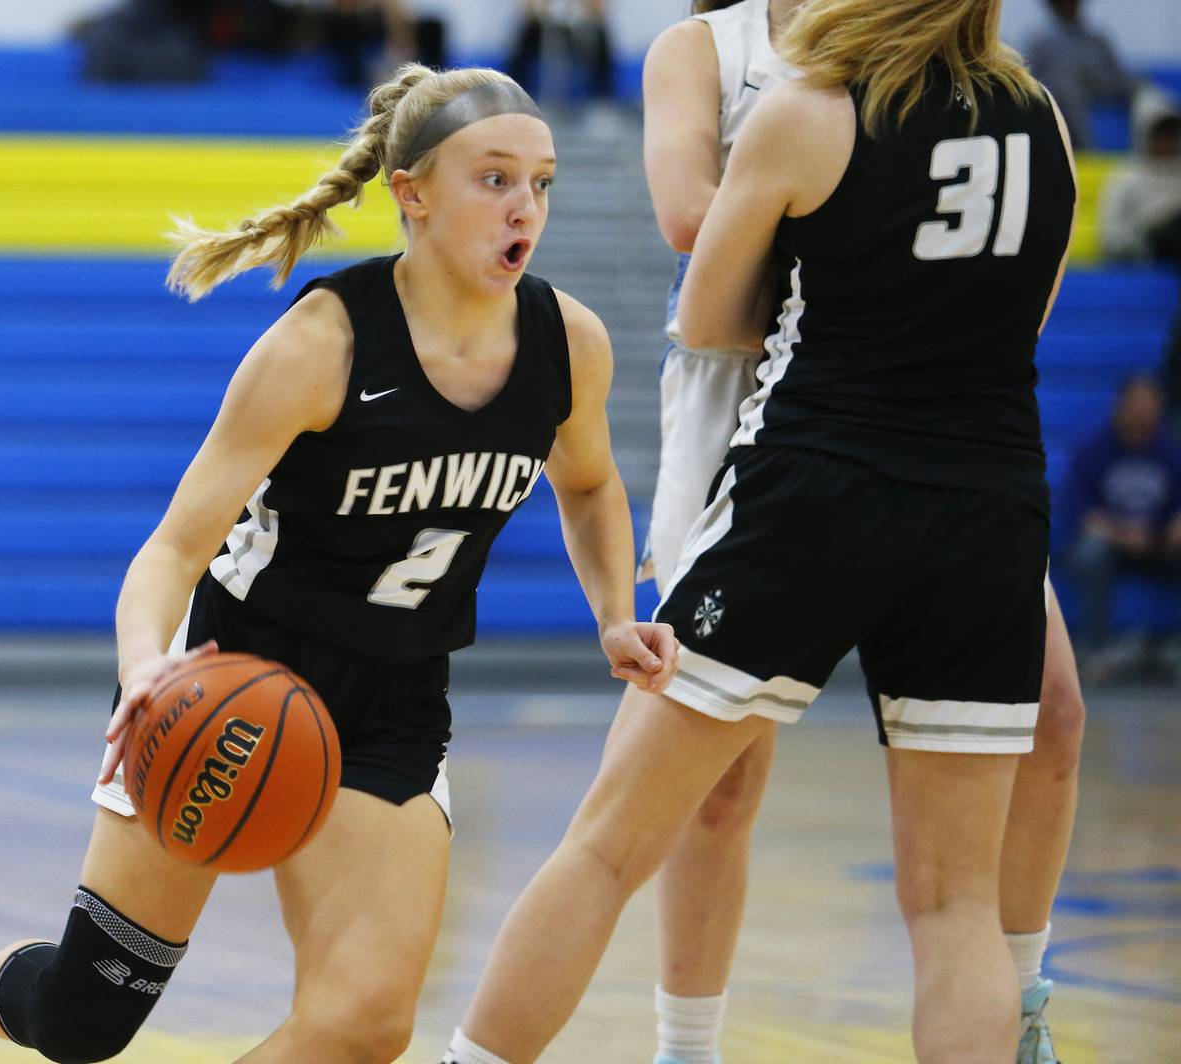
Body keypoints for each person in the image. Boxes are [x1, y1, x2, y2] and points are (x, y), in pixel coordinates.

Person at [0, 62, 680, 1064]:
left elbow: (594, 483)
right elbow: (174, 545)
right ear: (413, 194)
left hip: (394, 700)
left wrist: (612, 610)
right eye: (494, 179)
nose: (525, 206)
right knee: (86, 1016)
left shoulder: (570, 343)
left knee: (365, 1023)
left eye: (542, 182)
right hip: (236, 669)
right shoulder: (321, 345)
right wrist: (145, 670)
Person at [441, 0, 1077, 1060]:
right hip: (988, 503)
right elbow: (1031, 314)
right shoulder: (1044, 117)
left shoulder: (810, 109)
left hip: (815, 492)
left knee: (606, 845)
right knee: (956, 907)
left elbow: (704, 314)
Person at [638, 2, 1087, 1061]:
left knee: (1055, 716)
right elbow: (689, 219)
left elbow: (1006, 278)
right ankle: (684, 1042)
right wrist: (860, 242)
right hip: (743, 419)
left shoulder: (965, 65)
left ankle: (1018, 1002)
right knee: (714, 784)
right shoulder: (707, 48)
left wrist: (867, 240)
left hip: (913, 420)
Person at [1064, 374, 1181, 670]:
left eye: (1150, 404)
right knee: (1089, 553)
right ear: (1121, 406)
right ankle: (1095, 649)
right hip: (1113, 543)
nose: (1142, 412)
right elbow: (1083, 515)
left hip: (1160, 543)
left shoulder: (1171, 451)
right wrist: (1124, 535)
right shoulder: (1093, 450)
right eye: (1137, 404)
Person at [1023, 0, 1133, 151]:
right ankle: (1086, 153)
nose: (1069, 5)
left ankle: (1164, 157)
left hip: (1099, 90)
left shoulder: (1097, 40)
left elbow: (1118, 79)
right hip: (1059, 97)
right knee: (1066, 87)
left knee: (1146, 90)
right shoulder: (1040, 43)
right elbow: (1029, 82)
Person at [1100, 85, 1181, 264]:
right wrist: (1147, 241)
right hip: (1150, 252)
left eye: (1172, 135)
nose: (1167, 142)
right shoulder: (1125, 178)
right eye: (1159, 135)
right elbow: (1112, 238)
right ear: (1145, 135)